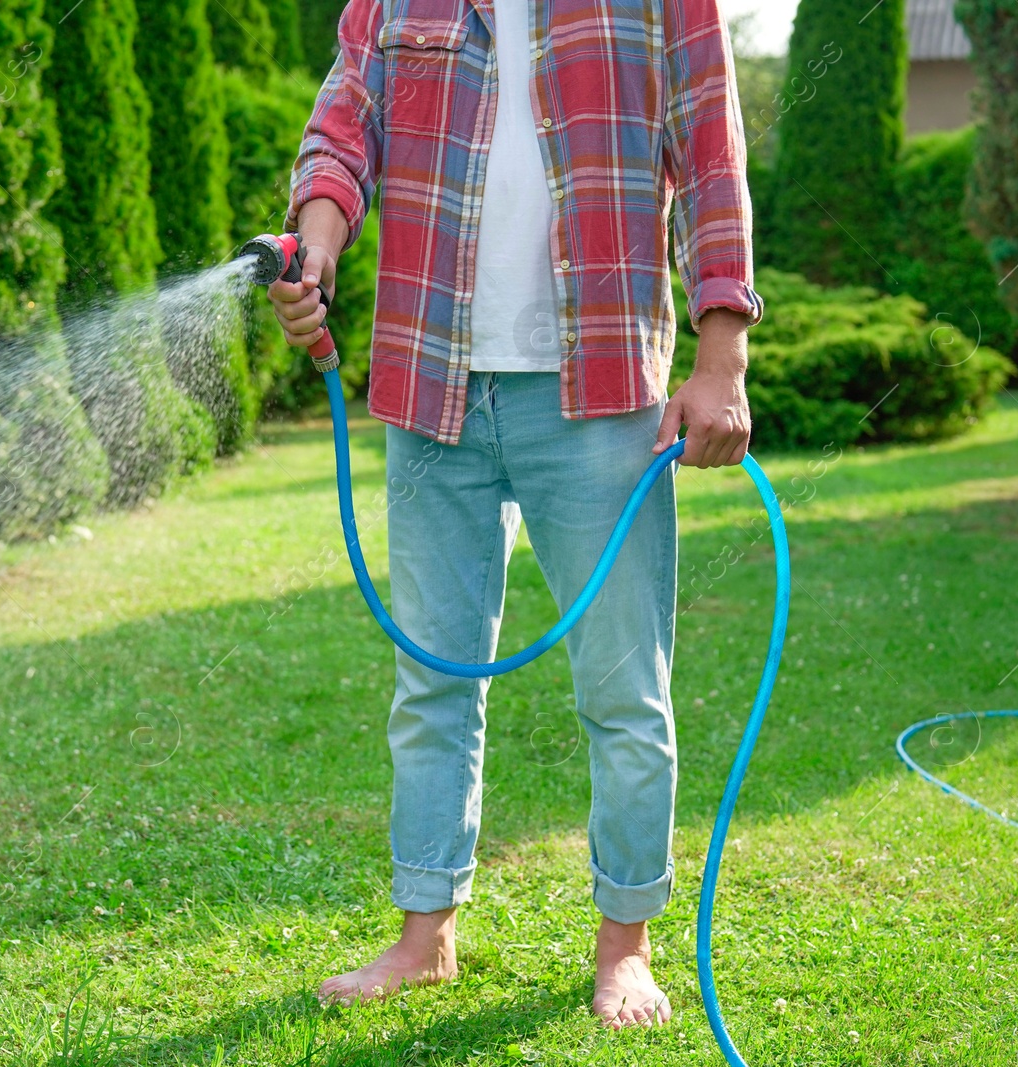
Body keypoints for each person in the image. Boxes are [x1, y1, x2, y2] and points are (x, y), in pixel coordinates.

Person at [267, 0, 762, 1029]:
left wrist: (722, 359)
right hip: (430, 381)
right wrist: (312, 242)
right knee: (432, 681)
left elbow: (709, 152)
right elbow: (342, 128)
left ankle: (623, 946)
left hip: (599, 390)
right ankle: (423, 934)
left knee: (624, 690)